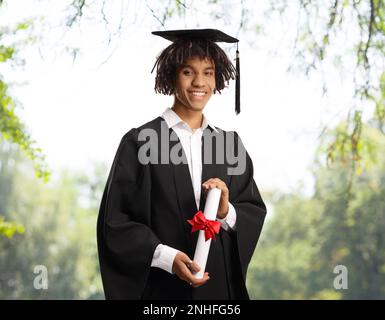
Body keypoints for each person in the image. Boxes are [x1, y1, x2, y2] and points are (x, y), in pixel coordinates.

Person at [97, 28, 266, 300]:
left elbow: (252, 211)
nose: (199, 82)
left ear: (217, 78)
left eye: (208, 72)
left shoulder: (229, 145)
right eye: (188, 72)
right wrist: (168, 257)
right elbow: (116, 221)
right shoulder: (142, 142)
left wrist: (225, 211)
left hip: (218, 293)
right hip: (162, 292)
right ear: (171, 76)